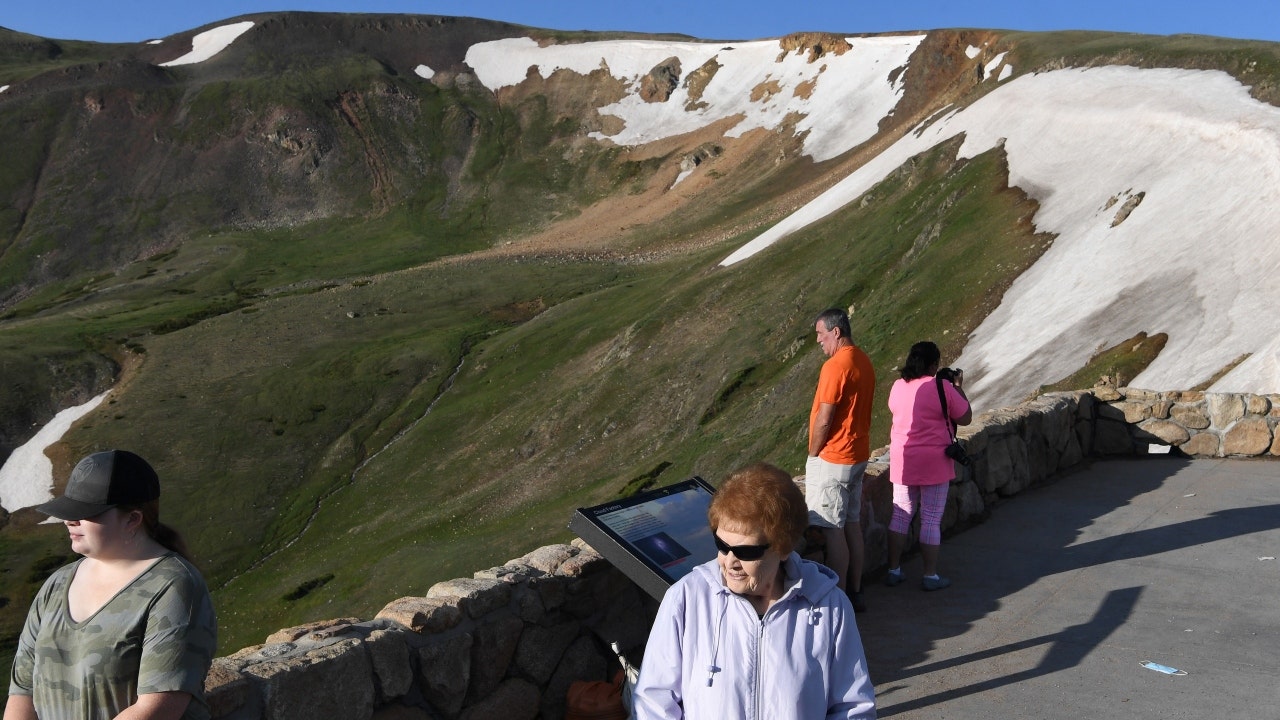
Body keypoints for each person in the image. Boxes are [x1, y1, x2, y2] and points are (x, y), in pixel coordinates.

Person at [633, 462, 876, 720]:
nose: (729, 562)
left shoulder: (829, 606)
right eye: (722, 545)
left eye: (746, 552)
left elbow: (853, 708)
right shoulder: (686, 599)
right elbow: (653, 703)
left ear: (783, 547)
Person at [5, 450, 217, 720]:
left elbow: (158, 707)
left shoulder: (174, 586)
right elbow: (22, 691)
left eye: (86, 512)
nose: (69, 520)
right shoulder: (56, 585)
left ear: (132, 519)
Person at [884, 342, 972, 591]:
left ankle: (893, 569)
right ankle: (930, 575)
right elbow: (965, 417)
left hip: (903, 461)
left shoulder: (898, 386)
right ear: (933, 365)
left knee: (900, 515)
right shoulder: (941, 386)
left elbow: (894, 410)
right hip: (935, 462)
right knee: (931, 519)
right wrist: (958, 388)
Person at [807, 308, 875, 611]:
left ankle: (839, 600)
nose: (819, 341)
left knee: (833, 530)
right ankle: (857, 591)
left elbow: (825, 417)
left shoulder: (835, 366)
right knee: (852, 524)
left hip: (834, 457)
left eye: (821, 334)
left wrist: (813, 451)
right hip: (858, 454)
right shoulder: (863, 360)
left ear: (836, 332)